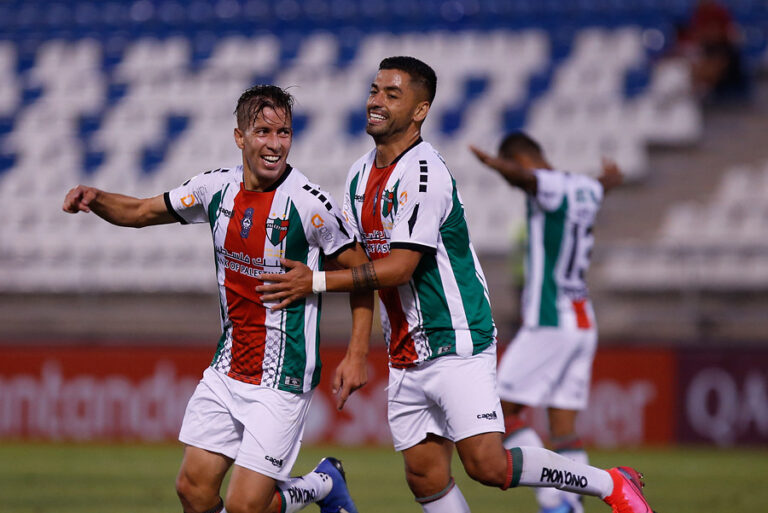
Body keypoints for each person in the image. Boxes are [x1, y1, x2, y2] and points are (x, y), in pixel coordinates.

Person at [256, 57, 655, 513]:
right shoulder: (358, 175)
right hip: (405, 351)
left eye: (392, 94)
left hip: (457, 337)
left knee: (487, 465)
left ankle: (610, 483)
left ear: (420, 110)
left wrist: (316, 282)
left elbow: (401, 267)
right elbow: (363, 267)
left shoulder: (425, 173)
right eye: (374, 90)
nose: (376, 102)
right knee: (424, 474)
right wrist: (355, 353)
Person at [62, 84, 372, 513]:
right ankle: (325, 482)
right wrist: (96, 199)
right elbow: (138, 212)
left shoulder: (309, 204)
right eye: (263, 131)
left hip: (282, 379)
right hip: (227, 369)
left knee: (246, 507)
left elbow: (364, 276)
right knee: (193, 490)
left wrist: (357, 354)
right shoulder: (215, 188)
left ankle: (320, 485)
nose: (275, 144)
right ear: (239, 137)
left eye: (284, 132)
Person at [470, 132, 623, 513]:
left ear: (520, 159)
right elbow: (601, 185)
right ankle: (574, 505)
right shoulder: (587, 187)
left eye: (513, 170)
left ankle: (555, 501)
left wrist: (495, 166)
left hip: (550, 321)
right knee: (564, 429)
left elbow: (528, 179)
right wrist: (611, 177)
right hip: (583, 322)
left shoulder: (547, 185)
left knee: (498, 412)